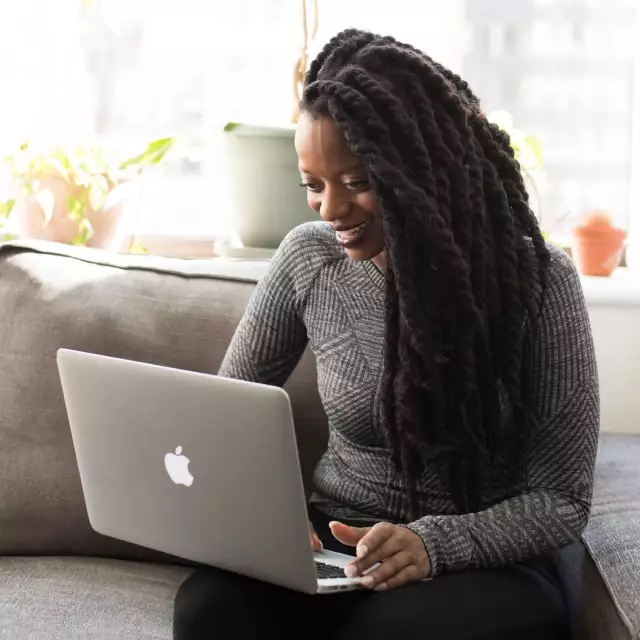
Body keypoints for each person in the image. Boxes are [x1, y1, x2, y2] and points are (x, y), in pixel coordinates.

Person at [173, 28, 599, 640]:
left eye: (357, 182)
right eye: (313, 185)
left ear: (422, 170)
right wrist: (265, 517)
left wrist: (432, 545)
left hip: (481, 559)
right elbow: (221, 415)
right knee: (209, 612)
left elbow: (562, 498)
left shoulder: (539, 282)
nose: (329, 209)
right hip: (338, 540)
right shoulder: (308, 260)